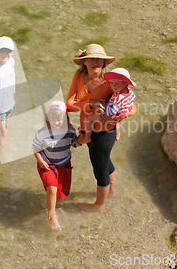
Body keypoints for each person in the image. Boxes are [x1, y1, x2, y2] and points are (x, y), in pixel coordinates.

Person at [66, 44, 136, 212]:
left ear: (104, 62)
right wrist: (90, 103)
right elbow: (69, 104)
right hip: (87, 128)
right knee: (106, 162)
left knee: (99, 169)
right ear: (84, 62)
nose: (95, 62)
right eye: (91, 59)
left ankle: (98, 205)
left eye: (99, 59)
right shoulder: (79, 76)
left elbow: (131, 107)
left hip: (105, 132)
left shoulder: (112, 80)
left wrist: (116, 121)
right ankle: (111, 191)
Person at [33, 101, 83, 231]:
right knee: (52, 187)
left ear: (65, 119)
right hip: (47, 164)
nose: (56, 122)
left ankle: (54, 206)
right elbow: (36, 148)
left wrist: (84, 135)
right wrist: (40, 161)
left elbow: (75, 143)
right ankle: (52, 214)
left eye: (59, 120)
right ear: (48, 119)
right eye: (53, 119)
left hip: (64, 164)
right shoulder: (42, 133)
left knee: (60, 190)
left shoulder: (70, 130)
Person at [81, 67, 137, 143]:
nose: (113, 86)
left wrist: (105, 114)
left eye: (117, 83)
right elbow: (133, 98)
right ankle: (117, 134)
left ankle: (87, 137)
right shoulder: (129, 91)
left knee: (90, 119)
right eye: (112, 83)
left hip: (112, 117)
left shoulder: (118, 97)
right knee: (117, 122)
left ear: (125, 83)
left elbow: (111, 111)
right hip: (120, 115)